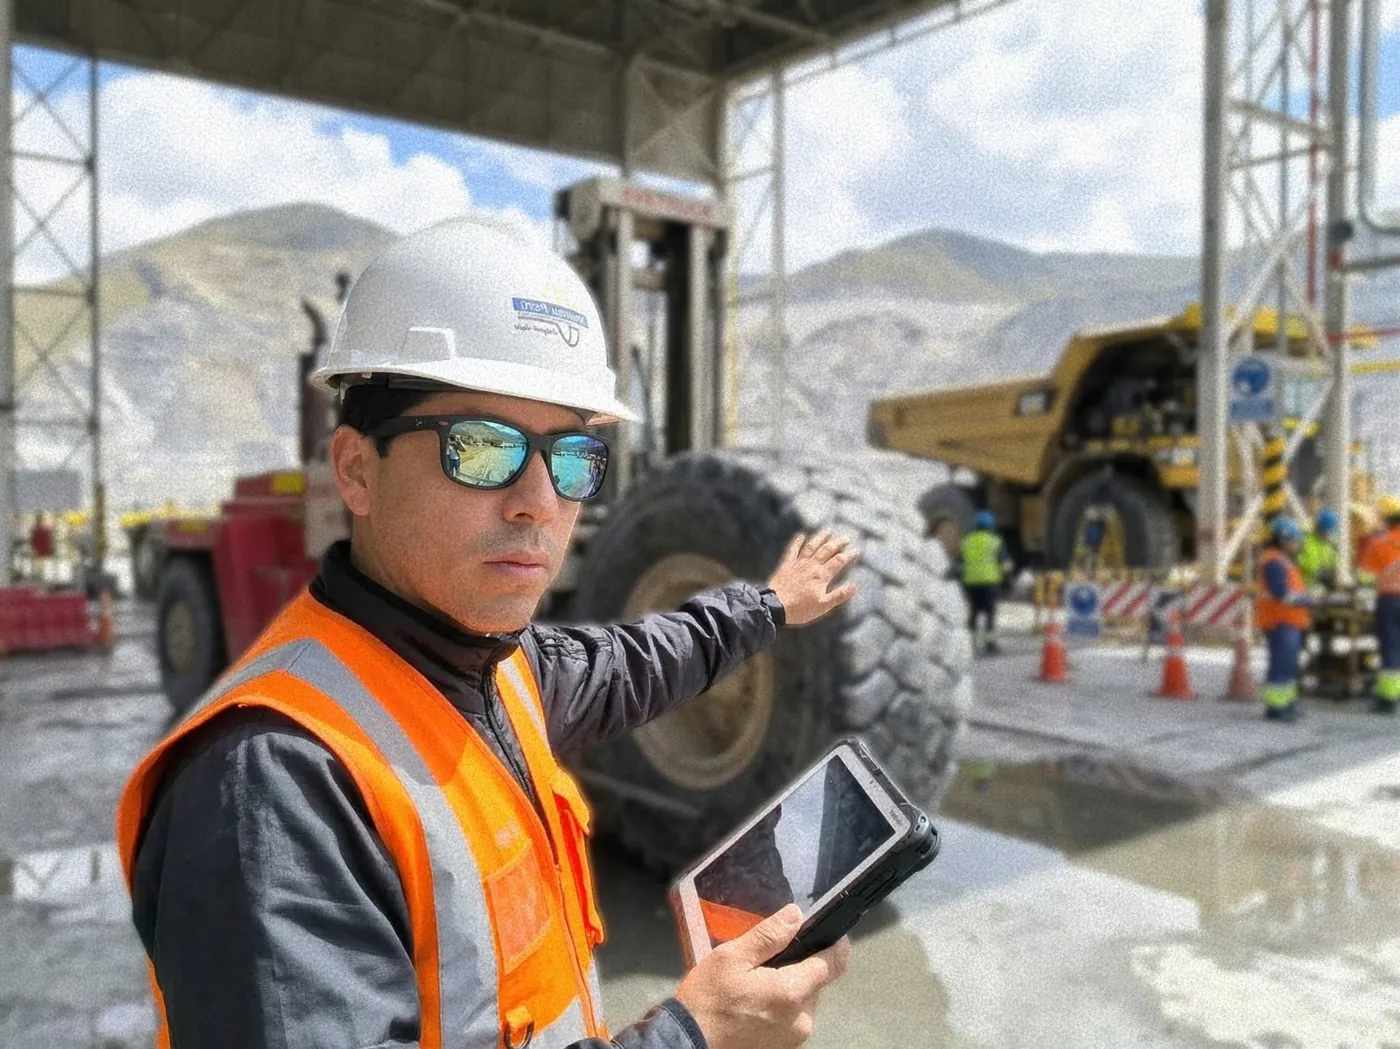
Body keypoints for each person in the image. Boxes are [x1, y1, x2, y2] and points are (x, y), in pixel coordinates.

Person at [116, 217, 858, 1049]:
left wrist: (769, 605)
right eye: (480, 447)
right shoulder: (275, 785)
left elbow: (644, 658)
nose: (539, 501)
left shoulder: (503, 670)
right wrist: (692, 1037)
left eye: (571, 457)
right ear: (357, 469)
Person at [1255, 516, 1312, 723]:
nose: (1297, 544)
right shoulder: (1274, 562)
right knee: (1281, 664)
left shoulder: (1282, 561)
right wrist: (1307, 599)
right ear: (1283, 540)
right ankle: (1276, 708)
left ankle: (1286, 703)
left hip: (1288, 621)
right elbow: (1281, 593)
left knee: (1288, 664)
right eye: (1294, 540)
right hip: (1280, 621)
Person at [1359, 494, 1400, 715]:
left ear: (1385, 519)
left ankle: (1388, 699)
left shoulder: (1379, 543)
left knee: (1391, 648)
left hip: (1390, 601)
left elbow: (1364, 577)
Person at [959, 510, 1013, 656]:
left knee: (973, 613)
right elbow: (1005, 564)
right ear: (991, 526)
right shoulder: (995, 541)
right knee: (990, 615)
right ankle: (990, 646)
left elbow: (960, 563)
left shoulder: (967, 541)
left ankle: (971, 645)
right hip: (990, 583)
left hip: (971, 583)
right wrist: (1008, 582)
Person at [1297, 508, 1341, 590]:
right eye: (1327, 532)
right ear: (1320, 528)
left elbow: (1336, 564)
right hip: (1305, 587)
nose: (1328, 535)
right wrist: (1318, 573)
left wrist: (1333, 573)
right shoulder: (1304, 541)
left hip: (1323, 588)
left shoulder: (1330, 545)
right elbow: (1299, 562)